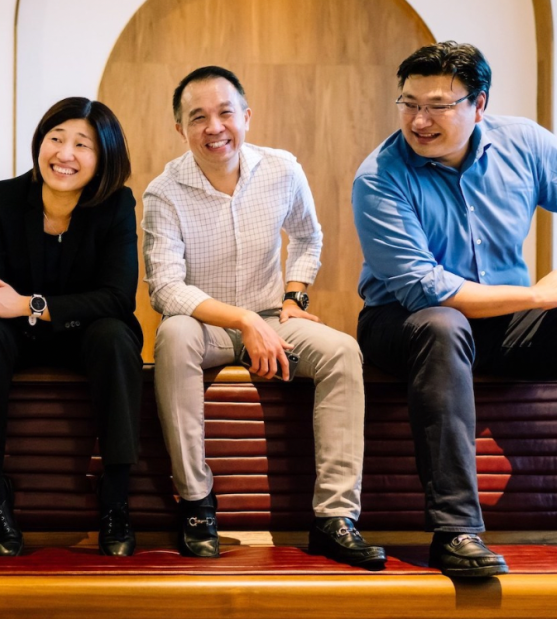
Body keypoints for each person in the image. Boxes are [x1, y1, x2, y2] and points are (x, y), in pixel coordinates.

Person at [353, 41, 557, 578]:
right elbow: (425, 289)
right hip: (402, 322)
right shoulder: (379, 177)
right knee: (443, 324)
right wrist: (537, 297)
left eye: (438, 105)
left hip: (501, 322)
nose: (419, 120)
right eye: (410, 104)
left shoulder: (523, 143)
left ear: (478, 105)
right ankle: (455, 532)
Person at [144, 66, 382, 568]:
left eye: (225, 112)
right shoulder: (163, 192)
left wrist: (295, 297)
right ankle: (196, 503)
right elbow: (165, 288)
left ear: (246, 116)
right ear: (181, 129)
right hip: (206, 326)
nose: (214, 127)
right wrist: (243, 322)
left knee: (342, 351)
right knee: (173, 333)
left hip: (274, 316)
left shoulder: (282, 169)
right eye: (198, 117)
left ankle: (335, 518)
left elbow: (308, 236)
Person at [0, 97, 143, 557]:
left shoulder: (116, 204)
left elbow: (117, 297)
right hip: (11, 336)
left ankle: (116, 497)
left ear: (103, 157)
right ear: (40, 143)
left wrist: (29, 304)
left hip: (85, 334)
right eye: (56, 138)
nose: (64, 154)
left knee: (115, 336)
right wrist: (24, 310)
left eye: (82, 144)